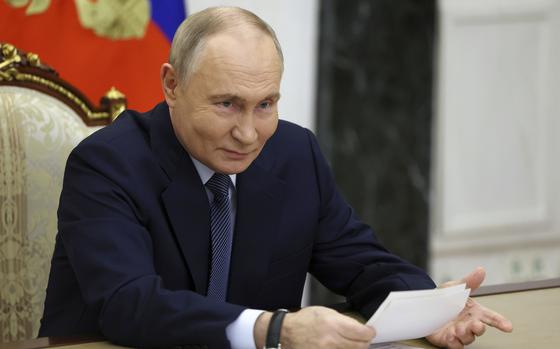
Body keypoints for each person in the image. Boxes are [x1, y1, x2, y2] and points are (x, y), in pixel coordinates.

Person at [39, 6, 512, 349]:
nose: (247, 134)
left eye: (265, 104)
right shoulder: (105, 164)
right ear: (172, 85)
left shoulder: (293, 152)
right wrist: (274, 330)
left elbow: (362, 263)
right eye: (226, 104)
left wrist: (430, 310)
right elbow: (129, 305)